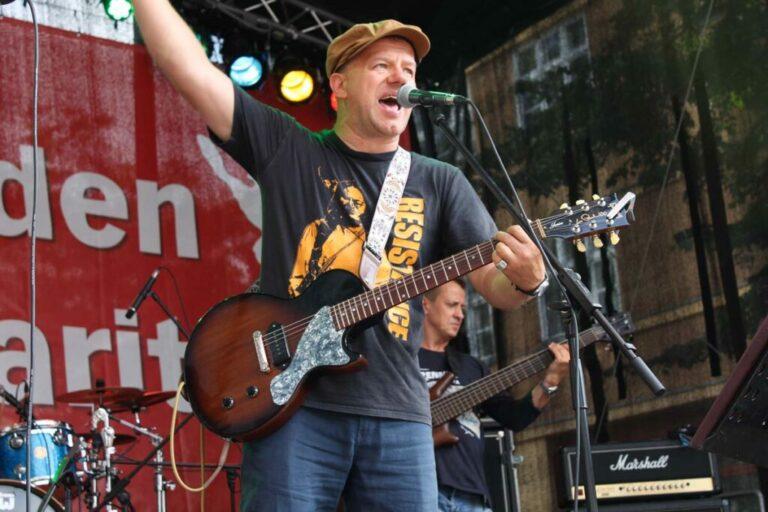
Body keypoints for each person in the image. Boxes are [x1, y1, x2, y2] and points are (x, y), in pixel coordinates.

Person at [131, 5, 548, 510]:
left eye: (409, 70)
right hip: (294, 405)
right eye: (381, 67)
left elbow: (495, 287)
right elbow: (190, 71)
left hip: (400, 412)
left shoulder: (441, 181)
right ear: (340, 84)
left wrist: (528, 280)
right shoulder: (292, 149)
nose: (400, 77)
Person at [419, 279, 569, 512]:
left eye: (464, 309)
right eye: (452, 305)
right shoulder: (402, 361)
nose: (460, 315)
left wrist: (550, 382)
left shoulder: (471, 368)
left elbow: (515, 418)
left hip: (472, 497)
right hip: (421, 493)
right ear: (426, 305)